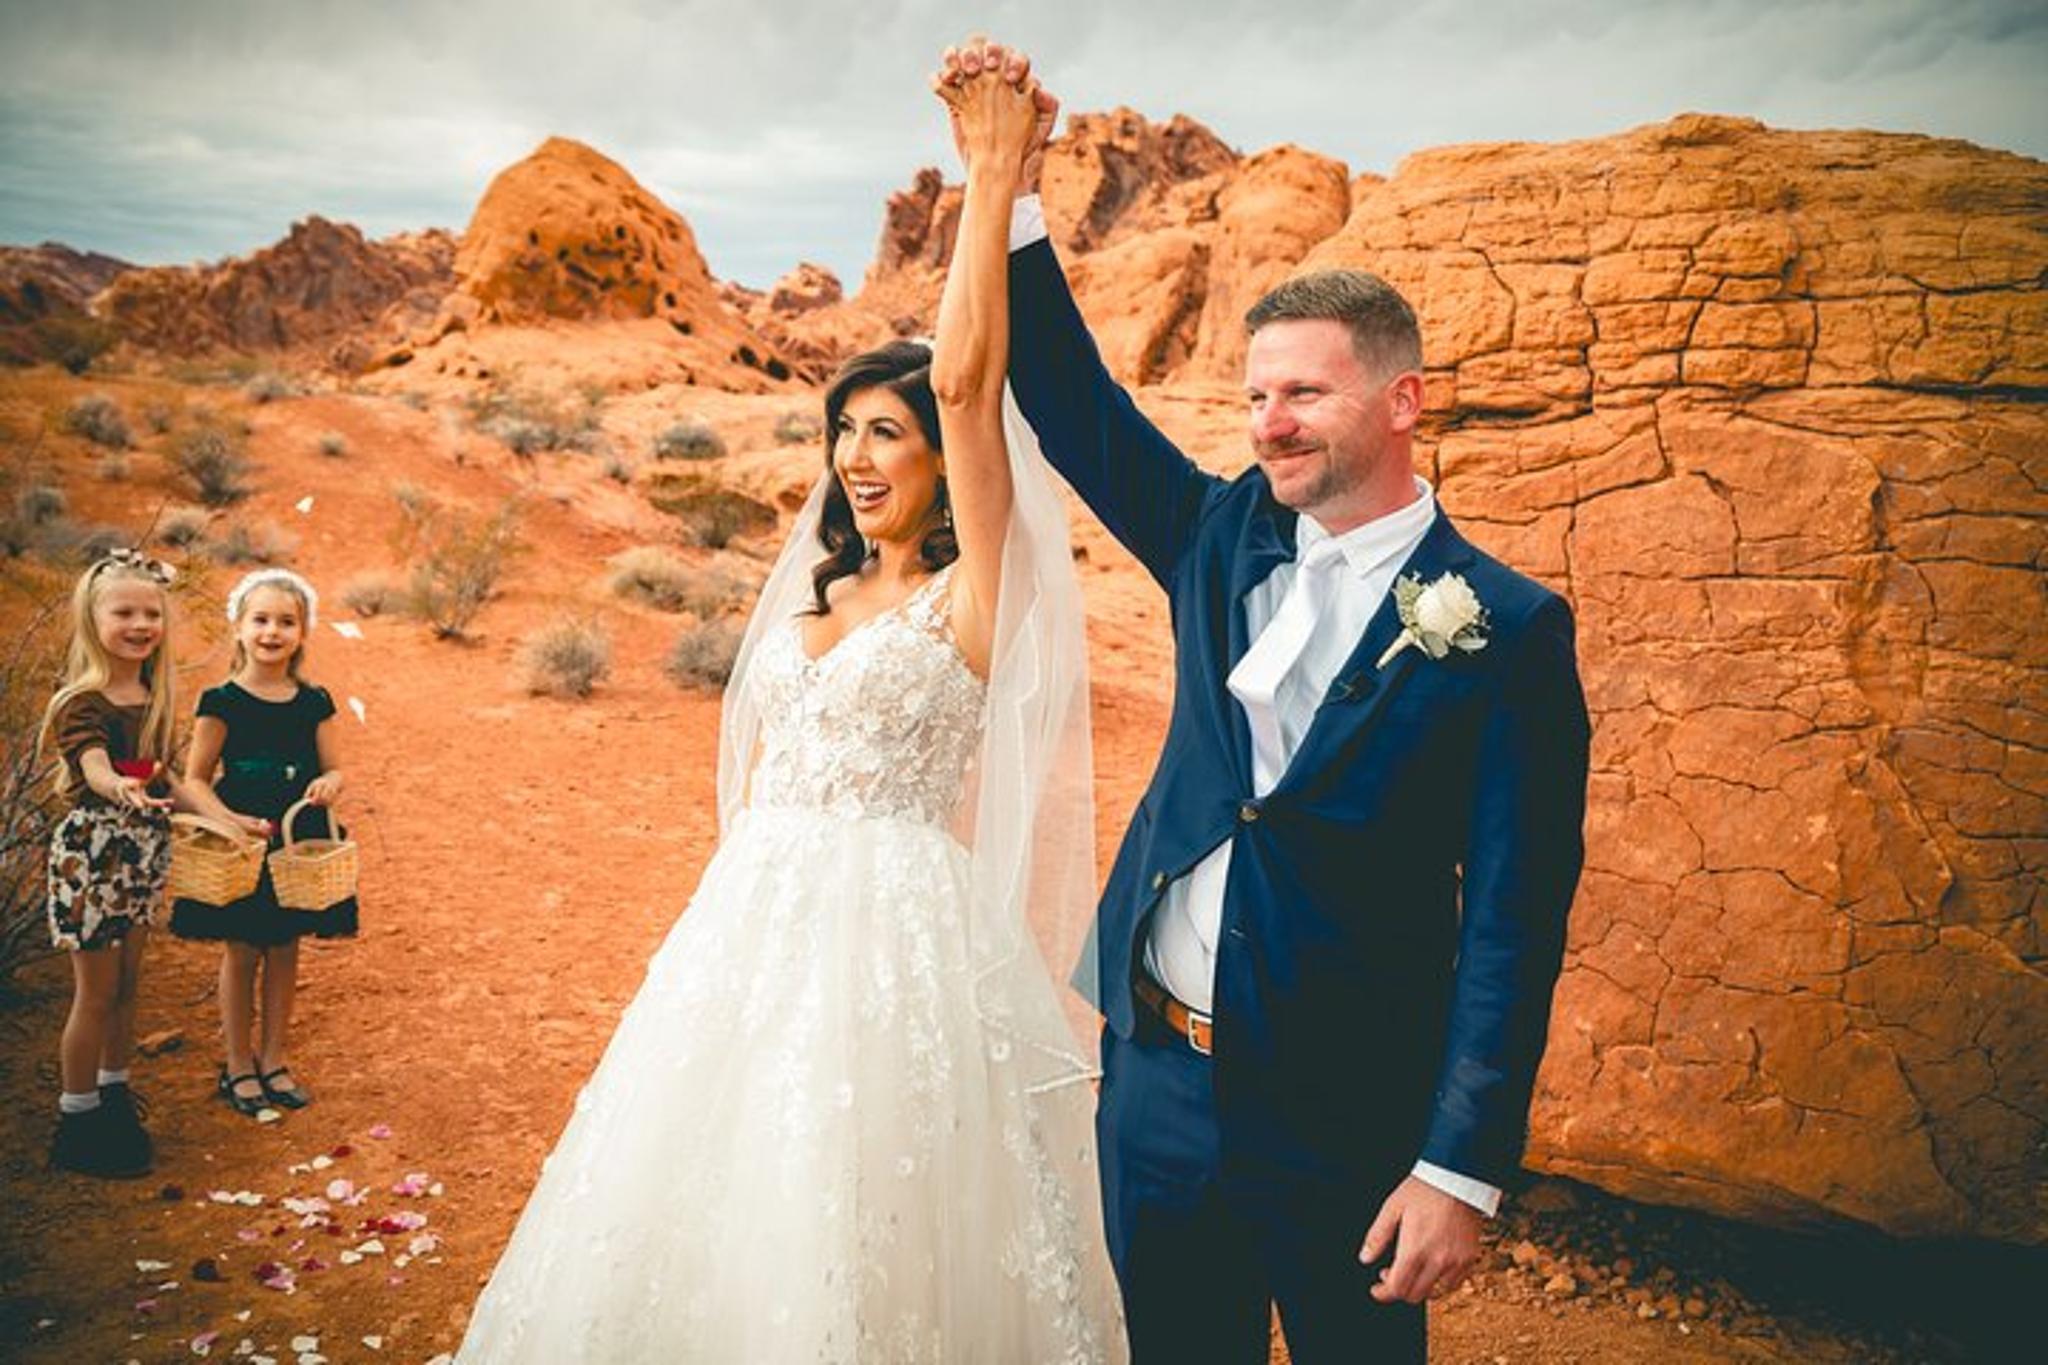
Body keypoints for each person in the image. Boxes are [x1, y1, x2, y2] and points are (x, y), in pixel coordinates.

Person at [937, 39, 1592, 1363]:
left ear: (1402, 401)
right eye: (1253, 396)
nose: (1269, 423)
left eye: (1303, 392)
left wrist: (1460, 1168)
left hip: (1349, 1112)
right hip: (1159, 1085)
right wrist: (1002, 184)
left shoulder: (1510, 630)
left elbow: (1516, 922)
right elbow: (1071, 404)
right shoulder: (1223, 536)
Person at [456, 66, 1123, 1362]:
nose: (858, 459)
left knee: (871, 1212)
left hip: (898, 945)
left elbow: (978, 385)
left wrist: (991, 178)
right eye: (845, 433)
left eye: (888, 432)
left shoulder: (976, 599)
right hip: (749, 929)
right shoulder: (823, 587)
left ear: (941, 456)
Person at [39, 549, 266, 1177]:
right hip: (92, 857)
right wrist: (117, 786)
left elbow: (179, 782)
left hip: (140, 857)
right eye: (124, 613)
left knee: (129, 985)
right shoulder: (82, 701)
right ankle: (77, 1118)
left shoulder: (150, 694)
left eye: (150, 613)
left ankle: (114, 1097)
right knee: (96, 991)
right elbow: (93, 765)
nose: (140, 625)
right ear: (94, 619)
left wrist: (231, 821)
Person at [172, 568, 353, 1116]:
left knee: (284, 947)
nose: (272, 632)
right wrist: (228, 820)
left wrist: (328, 785)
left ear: (302, 633)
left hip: (296, 836)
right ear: (239, 627)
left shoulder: (312, 701)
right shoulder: (221, 700)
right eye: (261, 620)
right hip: (242, 836)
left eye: (286, 622)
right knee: (242, 948)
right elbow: (196, 778)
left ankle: (273, 1058)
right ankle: (237, 1065)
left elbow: (336, 768)